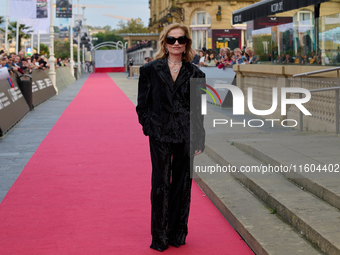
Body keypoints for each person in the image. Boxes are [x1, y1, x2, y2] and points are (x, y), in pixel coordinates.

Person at [136, 23, 205, 252]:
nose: (176, 43)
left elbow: (198, 110)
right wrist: (149, 127)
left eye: (181, 39)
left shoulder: (196, 73)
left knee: (182, 185)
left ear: (187, 44)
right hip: (160, 134)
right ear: (164, 43)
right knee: (160, 184)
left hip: (186, 134)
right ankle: (160, 236)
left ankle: (177, 233)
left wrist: (198, 138)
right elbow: (142, 105)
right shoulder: (150, 70)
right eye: (171, 39)